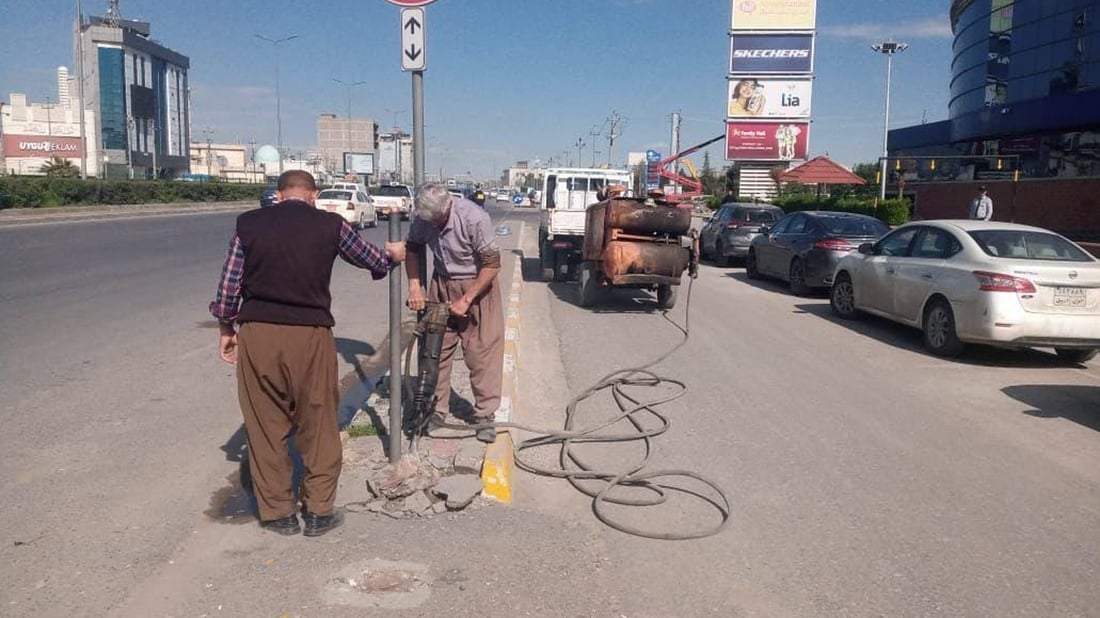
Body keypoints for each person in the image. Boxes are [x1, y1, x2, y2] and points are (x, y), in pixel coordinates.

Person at [209, 170, 406, 537]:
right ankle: (318, 510)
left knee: (266, 424)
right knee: (319, 421)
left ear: (280, 195)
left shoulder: (248, 224)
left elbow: (229, 284)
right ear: (313, 194)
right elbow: (373, 260)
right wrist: (392, 254)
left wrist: (226, 327)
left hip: (258, 332)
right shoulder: (330, 225)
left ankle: (279, 513)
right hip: (311, 334)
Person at [405, 183, 504, 443]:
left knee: (482, 352)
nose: (434, 227)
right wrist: (415, 285)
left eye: (438, 221)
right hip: (443, 284)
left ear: (447, 207)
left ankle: (485, 415)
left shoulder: (473, 218)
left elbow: (493, 264)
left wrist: (466, 299)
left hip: (477, 284)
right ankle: (436, 410)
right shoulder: (423, 218)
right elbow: (412, 248)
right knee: (435, 350)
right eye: (429, 223)